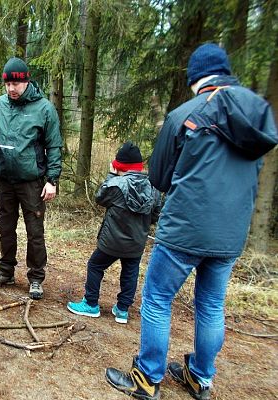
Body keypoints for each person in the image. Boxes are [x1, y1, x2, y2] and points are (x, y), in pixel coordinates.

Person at [105, 44, 277, 400]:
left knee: (157, 299)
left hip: (185, 228)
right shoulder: (259, 113)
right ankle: (200, 378)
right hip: (231, 233)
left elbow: (160, 178)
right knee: (212, 304)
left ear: (196, 78)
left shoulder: (186, 113)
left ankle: (147, 377)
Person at [0, 57, 63, 300]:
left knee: (34, 231)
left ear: (26, 81)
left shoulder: (44, 109)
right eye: (7, 85)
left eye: (15, 85)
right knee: (5, 227)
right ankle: (6, 270)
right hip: (5, 177)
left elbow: (55, 146)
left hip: (32, 181)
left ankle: (36, 277)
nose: (11, 89)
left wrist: (52, 180)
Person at [67, 142, 161, 324]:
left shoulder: (116, 185)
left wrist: (111, 174)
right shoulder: (153, 188)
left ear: (119, 166)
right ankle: (122, 310)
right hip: (136, 242)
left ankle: (91, 304)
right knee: (130, 272)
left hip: (111, 241)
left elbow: (99, 198)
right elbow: (155, 215)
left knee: (95, 265)